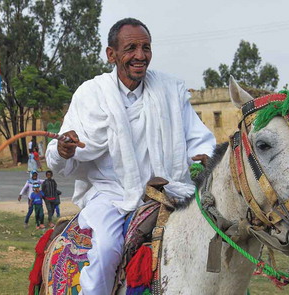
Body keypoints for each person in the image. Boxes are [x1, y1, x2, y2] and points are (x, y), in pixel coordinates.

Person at [46, 18, 216, 295]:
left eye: (146, 47)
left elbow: (200, 139)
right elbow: (64, 149)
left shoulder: (170, 90)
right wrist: (64, 149)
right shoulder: (91, 95)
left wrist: (207, 159)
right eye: (131, 48)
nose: (140, 55)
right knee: (106, 250)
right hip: (111, 194)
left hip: (170, 189)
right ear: (111, 55)